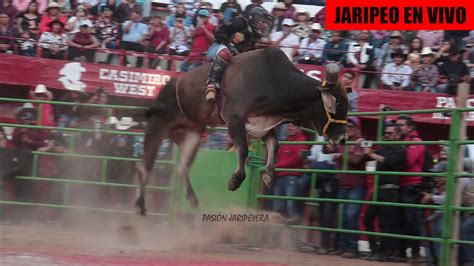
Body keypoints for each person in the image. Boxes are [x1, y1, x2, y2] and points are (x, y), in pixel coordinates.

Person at [204, 6, 272, 103]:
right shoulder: (240, 23)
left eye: (266, 23)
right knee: (226, 52)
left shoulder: (255, 36)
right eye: (263, 21)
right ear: (253, 18)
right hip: (217, 48)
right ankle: (212, 84)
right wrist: (228, 43)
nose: (265, 25)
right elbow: (217, 30)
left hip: (235, 56)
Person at [362, 122, 406, 262]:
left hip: (390, 190)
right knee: (367, 219)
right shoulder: (383, 147)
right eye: (386, 133)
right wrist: (364, 146)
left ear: (398, 135)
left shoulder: (401, 149)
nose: (386, 135)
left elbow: (389, 161)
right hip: (378, 189)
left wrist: (371, 154)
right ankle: (375, 249)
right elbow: (367, 157)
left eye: (390, 133)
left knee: (385, 223)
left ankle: (383, 252)